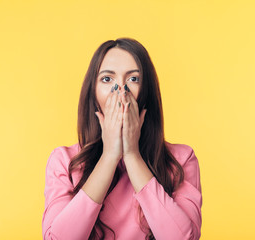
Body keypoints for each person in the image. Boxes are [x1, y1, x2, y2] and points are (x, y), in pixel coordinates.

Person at [42, 37, 202, 240]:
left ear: (147, 93)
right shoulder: (64, 161)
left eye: (133, 79)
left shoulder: (181, 159)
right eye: (107, 79)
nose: (120, 91)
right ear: (93, 93)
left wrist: (132, 155)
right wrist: (109, 156)